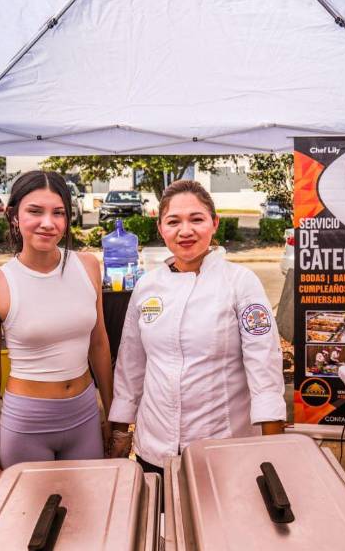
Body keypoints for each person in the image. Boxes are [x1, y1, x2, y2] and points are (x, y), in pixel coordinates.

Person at [108, 180, 285, 475]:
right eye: (173, 221)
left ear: (214, 224)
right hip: (155, 446)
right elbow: (131, 365)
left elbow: (263, 365)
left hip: (222, 446)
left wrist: (273, 447)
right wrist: (119, 432)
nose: (185, 231)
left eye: (197, 219)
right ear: (160, 228)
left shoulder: (240, 282)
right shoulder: (147, 286)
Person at [0, 171, 113, 476]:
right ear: (13, 216)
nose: (48, 223)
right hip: (27, 423)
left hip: (85, 415)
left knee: (90, 513)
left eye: (58, 213)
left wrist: (113, 416)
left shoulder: (88, 265)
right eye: (35, 211)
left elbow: (99, 343)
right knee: (29, 519)